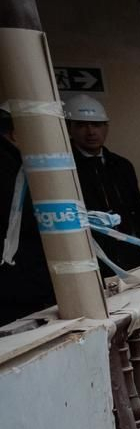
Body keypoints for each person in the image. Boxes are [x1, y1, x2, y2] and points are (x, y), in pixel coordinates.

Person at [64, 94, 140, 273]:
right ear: (69, 129)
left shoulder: (121, 165)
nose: (90, 132)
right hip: (90, 254)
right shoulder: (65, 168)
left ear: (106, 127)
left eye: (96, 125)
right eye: (81, 125)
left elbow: (137, 208)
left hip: (130, 251)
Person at [0, 107, 55, 324]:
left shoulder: (17, 164)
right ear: (16, 134)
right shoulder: (13, 167)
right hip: (20, 273)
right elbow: (29, 221)